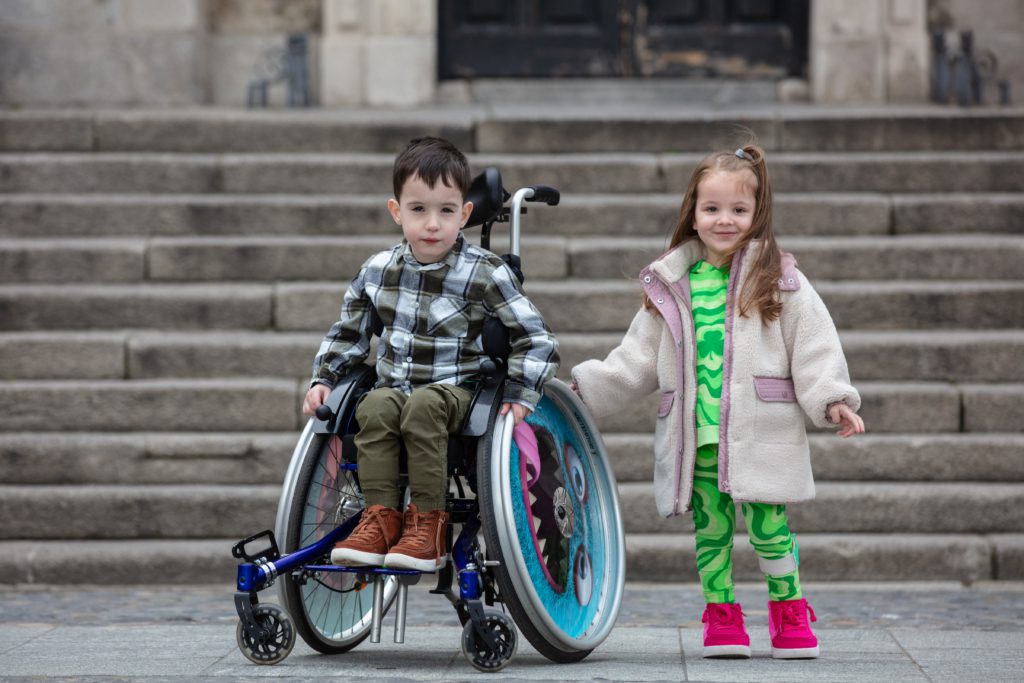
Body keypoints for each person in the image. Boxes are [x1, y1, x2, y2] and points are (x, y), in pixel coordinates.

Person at [570, 144, 864, 660]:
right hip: (698, 439)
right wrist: (585, 389)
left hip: (761, 434)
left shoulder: (780, 279)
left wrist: (833, 398)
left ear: (757, 214)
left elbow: (814, 346)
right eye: (712, 209)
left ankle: (788, 606)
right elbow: (636, 359)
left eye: (738, 210)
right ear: (693, 213)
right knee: (712, 532)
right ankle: (721, 614)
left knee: (771, 530)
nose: (724, 220)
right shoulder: (672, 284)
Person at [302, 136, 559, 573]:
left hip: (460, 392)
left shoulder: (484, 272)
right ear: (397, 211)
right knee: (377, 405)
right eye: (418, 210)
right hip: (395, 388)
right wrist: (324, 377)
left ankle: (429, 524)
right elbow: (348, 333)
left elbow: (535, 338)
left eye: (445, 211)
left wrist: (521, 392)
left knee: (423, 405)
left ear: (464, 213)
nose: (432, 224)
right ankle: (380, 517)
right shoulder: (378, 270)